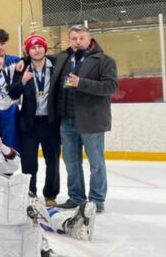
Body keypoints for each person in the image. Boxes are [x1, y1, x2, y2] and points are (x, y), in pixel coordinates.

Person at [49, 25, 117, 213]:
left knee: (96, 163)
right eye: (74, 38)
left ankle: (96, 200)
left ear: (89, 39)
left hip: (91, 120)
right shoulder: (63, 58)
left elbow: (111, 86)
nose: (78, 42)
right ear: (69, 40)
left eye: (81, 38)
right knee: (71, 162)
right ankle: (76, 197)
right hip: (67, 120)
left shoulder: (104, 60)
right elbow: (38, 58)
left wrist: (81, 83)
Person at [9, 34, 60, 207]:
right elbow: (13, 93)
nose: (37, 50)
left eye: (39, 47)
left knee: (52, 161)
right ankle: (30, 193)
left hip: (51, 122)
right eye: (33, 48)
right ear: (27, 51)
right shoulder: (22, 68)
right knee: (29, 162)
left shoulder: (56, 66)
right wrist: (23, 80)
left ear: (45, 49)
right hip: (29, 123)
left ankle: (50, 195)